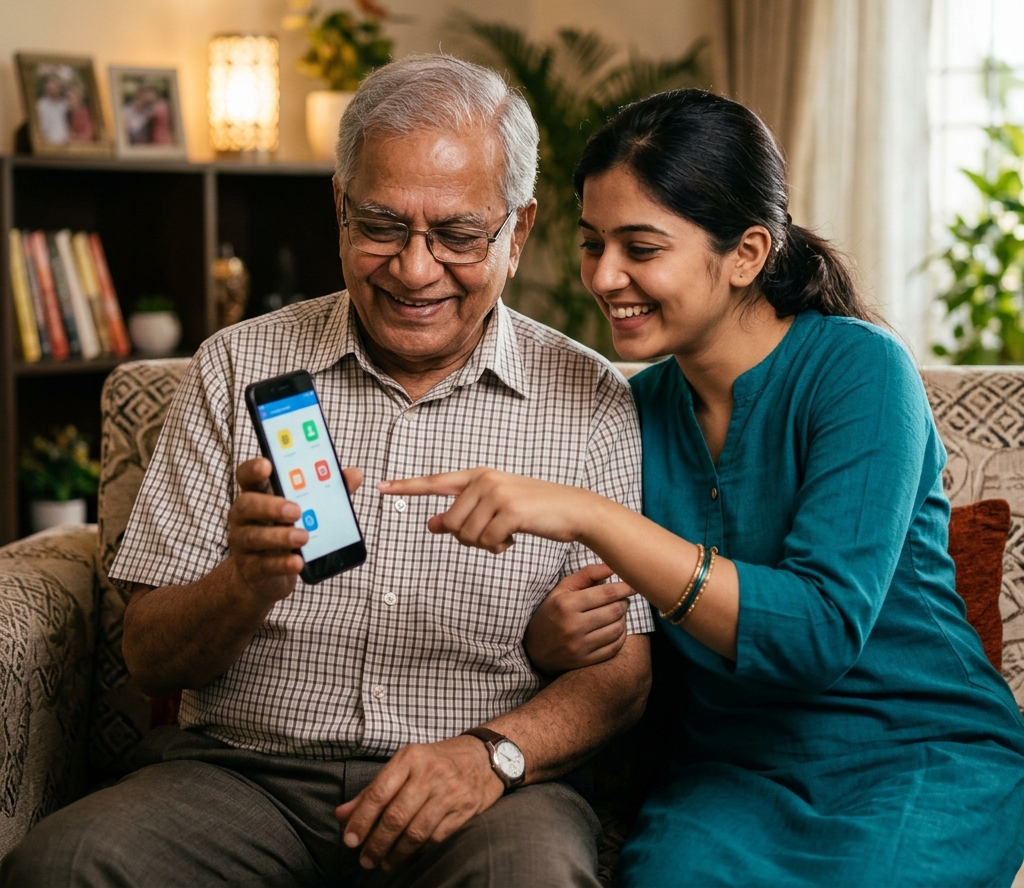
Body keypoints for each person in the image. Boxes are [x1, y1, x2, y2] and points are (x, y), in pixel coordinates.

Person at [0, 56, 653, 888]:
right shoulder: (236, 367)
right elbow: (150, 659)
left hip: (475, 788)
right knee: (65, 866)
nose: (415, 271)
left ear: (517, 232)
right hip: (240, 777)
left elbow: (621, 674)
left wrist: (492, 756)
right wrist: (244, 582)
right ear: (339, 210)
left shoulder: (591, 399)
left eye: (457, 235)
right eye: (381, 226)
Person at [383, 88, 1024, 887]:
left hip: (914, 753)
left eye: (641, 248)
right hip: (733, 774)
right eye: (592, 243)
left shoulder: (860, 371)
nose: (605, 276)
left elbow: (817, 633)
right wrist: (552, 639)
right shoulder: (634, 409)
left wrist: (592, 516)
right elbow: (623, 632)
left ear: (748, 253)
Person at [35, 72, 69, 144]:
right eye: (51, 86)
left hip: (65, 147)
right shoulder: (40, 105)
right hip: (48, 147)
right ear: (46, 87)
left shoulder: (64, 104)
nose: (54, 88)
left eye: (56, 85)